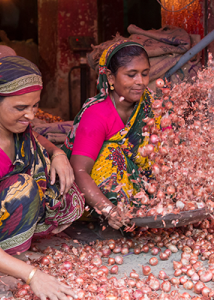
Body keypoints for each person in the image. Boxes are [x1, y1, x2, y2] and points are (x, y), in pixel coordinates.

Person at [0, 54, 85, 299]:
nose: (30, 115)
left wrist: (58, 153)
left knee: (63, 190)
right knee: (22, 188)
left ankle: (11, 255)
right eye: (21, 108)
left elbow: (36, 138)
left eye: (34, 106)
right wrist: (32, 275)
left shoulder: (13, 125)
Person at [62, 40, 160, 230]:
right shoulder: (97, 114)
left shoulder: (151, 106)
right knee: (113, 152)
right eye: (131, 75)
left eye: (145, 74)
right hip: (98, 197)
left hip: (144, 188)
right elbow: (79, 171)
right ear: (111, 78)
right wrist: (108, 210)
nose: (140, 81)